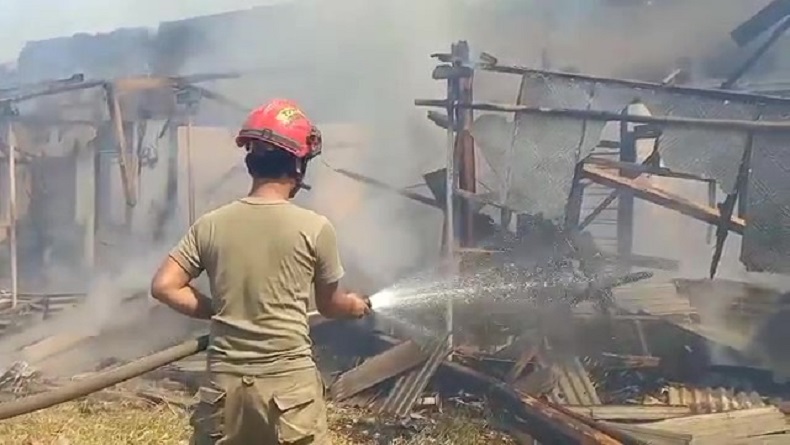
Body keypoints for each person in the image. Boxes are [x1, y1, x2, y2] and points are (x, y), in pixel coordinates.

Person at [150, 98, 371, 445]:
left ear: (251, 160)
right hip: (288, 392)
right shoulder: (314, 228)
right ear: (297, 164)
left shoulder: (211, 224)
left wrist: (220, 310)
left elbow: (164, 286)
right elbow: (329, 306)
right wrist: (356, 306)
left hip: (224, 390)